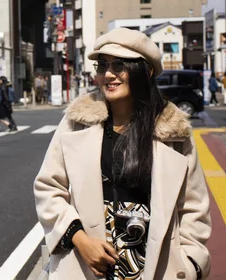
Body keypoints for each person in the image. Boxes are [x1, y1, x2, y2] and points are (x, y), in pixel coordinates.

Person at [34, 28, 210, 280]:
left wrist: (191, 262)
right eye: (102, 65)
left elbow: (194, 207)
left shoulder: (174, 131)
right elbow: (48, 187)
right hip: (87, 264)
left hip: (156, 266)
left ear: (146, 71)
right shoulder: (78, 121)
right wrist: (80, 240)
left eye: (119, 65)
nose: (108, 74)